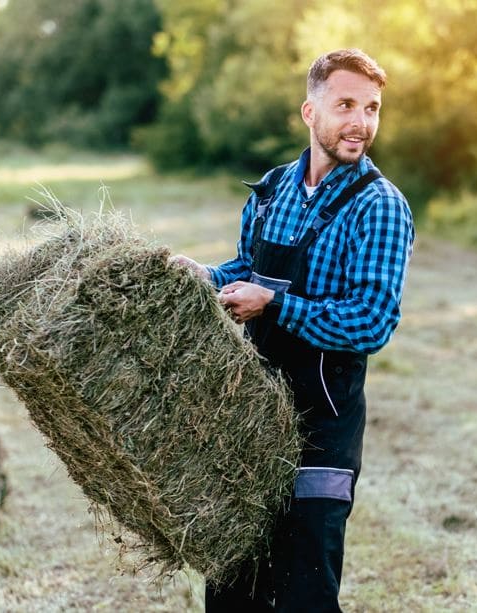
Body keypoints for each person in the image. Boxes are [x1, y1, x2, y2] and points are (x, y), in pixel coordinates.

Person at [171, 48, 414, 612]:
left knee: (304, 593)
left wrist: (274, 306)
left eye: (373, 108)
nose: (361, 122)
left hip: (322, 423)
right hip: (247, 416)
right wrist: (202, 277)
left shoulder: (379, 206)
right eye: (346, 104)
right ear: (311, 112)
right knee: (232, 588)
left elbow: (373, 320)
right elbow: (245, 271)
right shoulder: (273, 189)